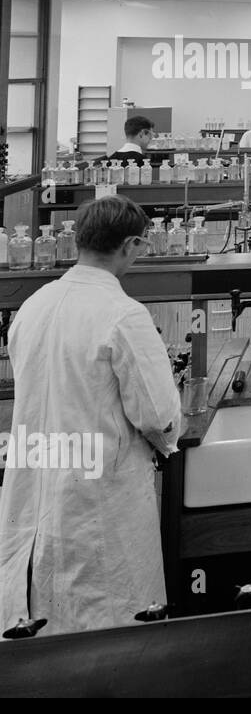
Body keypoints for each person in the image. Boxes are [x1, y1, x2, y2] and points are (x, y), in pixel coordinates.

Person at [0, 197, 183, 635]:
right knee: (106, 627)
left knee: (42, 624)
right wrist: (170, 439)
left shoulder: (33, 306)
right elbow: (158, 417)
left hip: (37, 480)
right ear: (133, 244)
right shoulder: (124, 315)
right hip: (99, 496)